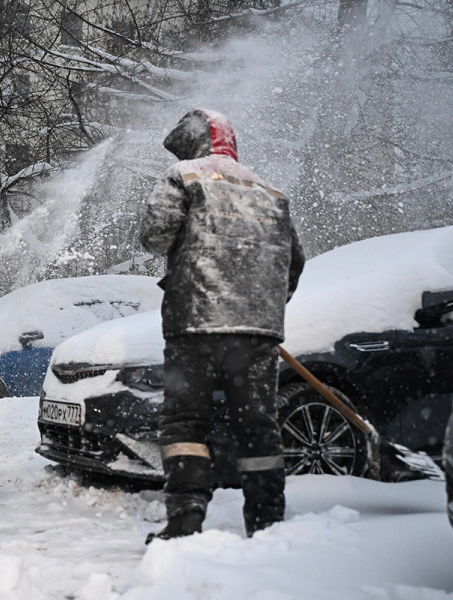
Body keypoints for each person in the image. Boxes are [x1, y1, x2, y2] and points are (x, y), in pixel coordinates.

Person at [140, 109, 305, 542]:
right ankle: (268, 523)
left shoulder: (183, 175)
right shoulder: (270, 191)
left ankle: (185, 520)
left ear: (192, 143)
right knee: (257, 426)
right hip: (257, 333)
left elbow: (155, 235)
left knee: (185, 424)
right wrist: (258, 307)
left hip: (193, 325)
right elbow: (294, 263)